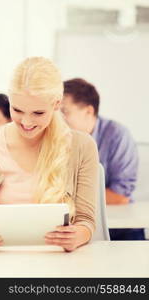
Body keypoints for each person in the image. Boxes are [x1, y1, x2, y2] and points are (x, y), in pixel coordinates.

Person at [0, 57, 99, 252]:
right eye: (17, 110)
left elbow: (86, 221)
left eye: (38, 113)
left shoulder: (83, 146)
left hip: (60, 262)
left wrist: (78, 235)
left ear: (57, 104)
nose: (26, 122)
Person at [62, 78, 142, 240]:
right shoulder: (59, 137)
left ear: (89, 111)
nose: (59, 118)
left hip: (120, 231)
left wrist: (72, 197)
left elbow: (120, 196)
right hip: (75, 226)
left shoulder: (117, 135)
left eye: (65, 111)